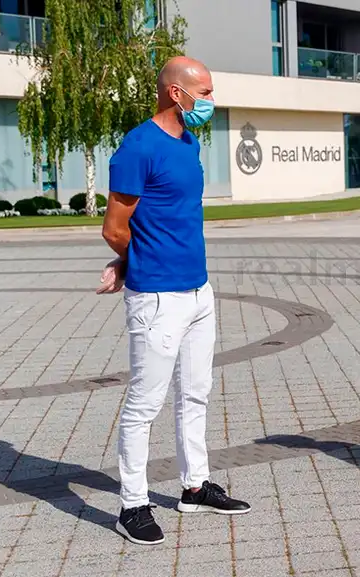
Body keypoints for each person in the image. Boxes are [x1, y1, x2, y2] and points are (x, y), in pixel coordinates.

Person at [97, 55, 250, 545]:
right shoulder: (138, 147)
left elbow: (172, 216)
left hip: (199, 290)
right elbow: (114, 227)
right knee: (145, 403)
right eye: (204, 92)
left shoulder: (188, 142)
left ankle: (194, 487)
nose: (211, 101)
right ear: (175, 93)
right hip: (159, 298)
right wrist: (134, 262)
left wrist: (131, 260)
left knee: (195, 392)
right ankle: (132, 505)